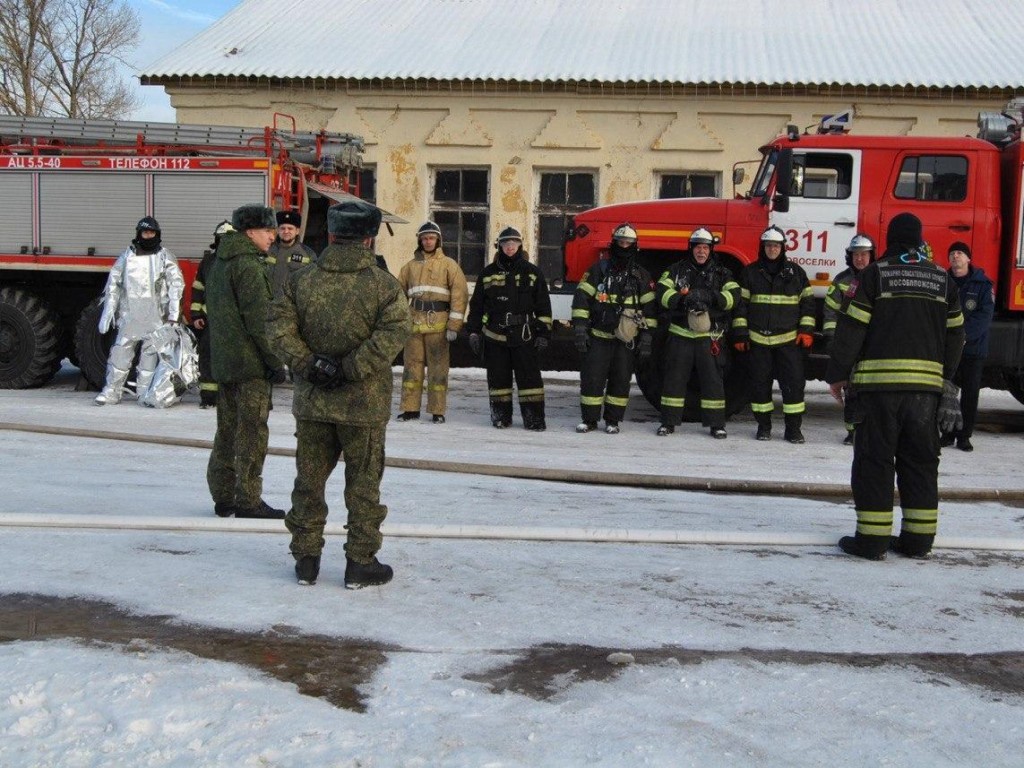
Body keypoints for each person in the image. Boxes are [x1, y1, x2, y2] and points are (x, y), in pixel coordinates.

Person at [267, 200, 410, 588]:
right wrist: (349, 368)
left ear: (331, 234)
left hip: (313, 402)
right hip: (362, 405)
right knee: (363, 484)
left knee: (308, 482)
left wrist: (311, 365)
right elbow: (393, 335)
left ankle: (306, 559)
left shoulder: (301, 279)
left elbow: (278, 329)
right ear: (369, 238)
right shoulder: (383, 285)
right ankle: (359, 563)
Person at [826, 212, 965, 560]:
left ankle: (872, 542)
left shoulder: (875, 275)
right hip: (926, 395)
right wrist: (944, 378)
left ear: (890, 239)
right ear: (919, 240)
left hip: (878, 392)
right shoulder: (942, 279)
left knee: (875, 462)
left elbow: (851, 328)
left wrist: (838, 373)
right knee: (920, 463)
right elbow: (957, 335)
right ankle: (918, 542)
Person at [205, 204, 288, 520]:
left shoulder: (220, 262)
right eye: (268, 230)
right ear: (250, 231)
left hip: (226, 363)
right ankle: (248, 500)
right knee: (252, 434)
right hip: (251, 366)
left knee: (226, 431)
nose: (273, 236)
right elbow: (259, 322)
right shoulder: (250, 266)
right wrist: (274, 361)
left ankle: (223, 496)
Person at [731, 225, 815, 443]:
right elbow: (740, 306)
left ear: (783, 248)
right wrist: (740, 334)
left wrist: (806, 331)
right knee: (759, 386)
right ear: (763, 247)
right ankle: (764, 427)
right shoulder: (750, 273)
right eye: (768, 245)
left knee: (794, 386)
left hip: (789, 341)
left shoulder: (796, 273)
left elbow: (807, 304)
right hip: (758, 340)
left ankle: (793, 430)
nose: (772, 249)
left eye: (776, 245)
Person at [571, 223, 657, 434]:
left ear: (634, 246)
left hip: (625, 340)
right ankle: (589, 420)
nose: (624, 246)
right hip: (599, 336)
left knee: (620, 382)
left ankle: (613, 421)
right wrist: (580, 329)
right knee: (592, 380)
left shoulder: (642, 276)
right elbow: (581, 300)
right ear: (614, 243)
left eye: (628, 243)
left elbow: (650, 311)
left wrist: (647, 337)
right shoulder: (598, 270)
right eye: (621, 242)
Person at [654, 227, 740, 438]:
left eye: (705, 248)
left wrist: (711, 297)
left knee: (713, 381)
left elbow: (734, 296)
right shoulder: (676, 270)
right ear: (691, 248)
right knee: (674, 380)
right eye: (698, 247)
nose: (701, 252)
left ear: (711, 250)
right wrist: (683, 300)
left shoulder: (722, 273)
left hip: (709, 337)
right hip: (680, 334)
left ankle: (716, 424)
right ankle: (668, 422)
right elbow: (662, 292)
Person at [465, 227, 553, 431]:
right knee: (498, 380)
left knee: (530, 380)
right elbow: (477, 305)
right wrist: (473, 332)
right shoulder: (487, 274)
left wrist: (543, 334)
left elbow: (543, 307)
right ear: (500, 246)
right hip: (495, 336)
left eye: (514, 243)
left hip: (525, 336)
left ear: (520, 245)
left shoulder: (533, 273)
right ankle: (500, 417)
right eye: (506, 244)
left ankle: (534, 419)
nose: (510, 247)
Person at [95, 216, 184, 406]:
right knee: (119, 355)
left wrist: (174, 314)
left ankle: (144, 393)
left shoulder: (165, 256)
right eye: (145, 232)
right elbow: (114, 283)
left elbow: (176, 284)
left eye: (151, 232)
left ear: (157, 234)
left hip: (155, 317)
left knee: (149, 359)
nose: (148, 236)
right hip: (129, 317)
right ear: (139, 234)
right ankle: (111, 391)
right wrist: (108, 310)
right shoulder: (127, 255)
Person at [396, 221, 469, 424]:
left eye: (432, 238)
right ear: (420, 240)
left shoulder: (449, 265)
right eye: (425, 238)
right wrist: (399, 322)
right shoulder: (409, 267)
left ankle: (438, 410)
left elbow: (459, 296)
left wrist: (454, 326)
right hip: (414, 326)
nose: (428, 241)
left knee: (438, 369)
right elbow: (398, 296)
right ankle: (410, 408)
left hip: (438, 325)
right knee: (411, 367)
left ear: (438, 240)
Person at [822, 233, 877, 445]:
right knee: (851, 390)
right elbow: (830, 312)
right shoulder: (841, 281)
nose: (860, 259)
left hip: (873, 347)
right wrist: (832, 340)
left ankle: (870, 430)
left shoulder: (878, 279)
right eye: (856, 255)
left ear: (871, 256)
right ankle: (852, 431)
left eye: (864, 254)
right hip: (850, 346)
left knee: (872, 391)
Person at [940, 241, 994, 452]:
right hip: (948, 349)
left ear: (968, 258)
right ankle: (947, 433)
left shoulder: (982, 285)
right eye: (952, 253)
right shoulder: (942, 282)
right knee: (946, 392)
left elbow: (984, 316)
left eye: (960, 253)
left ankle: (964, 436)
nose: (955, 257)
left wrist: (963, 336)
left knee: (970, 394)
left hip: (973, 350)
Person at [190, 220, 235, 408]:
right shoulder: (208, 261)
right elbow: (198, 287)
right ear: (216, 240)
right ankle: (209, 397)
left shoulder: (239, 262)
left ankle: (228, 397)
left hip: (232, 322)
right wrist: (196, 315)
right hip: (210, 320)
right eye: (221, 239)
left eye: (228, 239)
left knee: (230, 359)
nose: (224, 243)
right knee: (207, 357)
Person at [264, 210, 316, 299]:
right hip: (267, 305)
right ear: (277, 230)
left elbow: (312, 283)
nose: (286, 231)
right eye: (282, 228)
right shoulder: (266, 250)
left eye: (290, 228)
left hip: (291, 307)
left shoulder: (308, 254)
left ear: (297, 231)